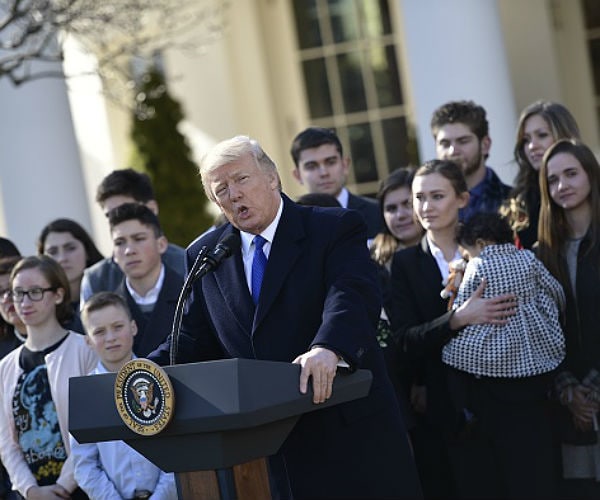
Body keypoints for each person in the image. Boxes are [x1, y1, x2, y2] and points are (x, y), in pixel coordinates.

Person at [149, 135, 422, 499]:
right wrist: (140, 372)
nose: (233, 194)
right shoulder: (206, 254)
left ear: (272, 177)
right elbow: (191, 337)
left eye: (241, 179)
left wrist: (329, 347)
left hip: (347, 433)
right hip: (269, 453)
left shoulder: (332, 227)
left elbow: (351, 295)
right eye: (221, 189)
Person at [390, 159, 517, 499]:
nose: (425, 207)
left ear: (462, 199)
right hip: (444, 413)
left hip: (506, 403)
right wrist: (457, 318)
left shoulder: (491, 245)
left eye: (436, 196)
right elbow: (403, 341)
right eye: (419, 198)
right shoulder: (402, 265)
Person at [0, 256, 97, 499]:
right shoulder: (5, 367)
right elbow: (7, 443)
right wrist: (30, 490)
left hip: (84, 487)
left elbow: (92, 429)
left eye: (35, 292)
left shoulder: (85, 350)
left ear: (58, 295)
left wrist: (64, 485)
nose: (24, 302)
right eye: (18, 293)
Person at [538, 139, 600, 498]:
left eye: (571, 174)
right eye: (553, 179)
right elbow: (543, 332)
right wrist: (569, 391)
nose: (562, 186)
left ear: (591, 174)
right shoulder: (542, 254)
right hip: (566, 406)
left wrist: (592, 389)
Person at [71, 292, 177, 500]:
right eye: (99, 332)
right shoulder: (84, 396)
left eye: (118, 327)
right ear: (88, 341)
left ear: (133, 327)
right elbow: (84, 465)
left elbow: (177, 450)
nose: (110, 338)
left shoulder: (159, 380)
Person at [80, 168, 185, 304]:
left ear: (152, 209)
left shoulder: (187, 266)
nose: (118, 218)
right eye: (109, 215)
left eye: (126, 209)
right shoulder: (96, 280)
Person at [501, 100, 581, 249]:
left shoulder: (590, 186)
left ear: (564, 135)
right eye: (526, 140)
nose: (532, 146)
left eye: (542, 135)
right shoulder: (519, 202)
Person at [108, 203, 183, 357]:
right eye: (120, 243)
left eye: (139, 239)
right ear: (114, 254)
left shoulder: (191, 295)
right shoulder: (107, 311)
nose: (129, 250)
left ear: (161, 244)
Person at [290, 127, 382, 238]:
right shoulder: (290, 223)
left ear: (345, 165)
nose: (324, 173)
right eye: (312, 166)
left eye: (331, 162)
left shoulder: (378, 214)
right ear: (297, 175)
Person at [431, 100, 511, 222]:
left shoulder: (514, 202)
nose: (453, 151)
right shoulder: (423, 207)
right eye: (445, 144)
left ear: (485, 145)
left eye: (463, 141)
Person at [37, 218, 104, 334]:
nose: (62, 258)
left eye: (70, 248)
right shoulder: (39, 306)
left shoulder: (115, 287)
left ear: (87, 251)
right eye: (53, 252)